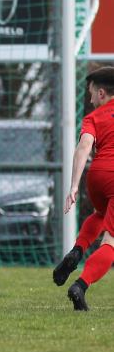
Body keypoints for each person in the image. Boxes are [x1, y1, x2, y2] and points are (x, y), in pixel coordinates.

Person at [60, 66, 114, 310]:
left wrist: (73, 186)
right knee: (111, 241)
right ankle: (80, 285)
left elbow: (84, 147)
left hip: (97, 175)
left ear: (101, 93)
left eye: (91, 93)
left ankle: (77, 251)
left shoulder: (93, 118)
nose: (90, 99)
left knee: (100, 215)